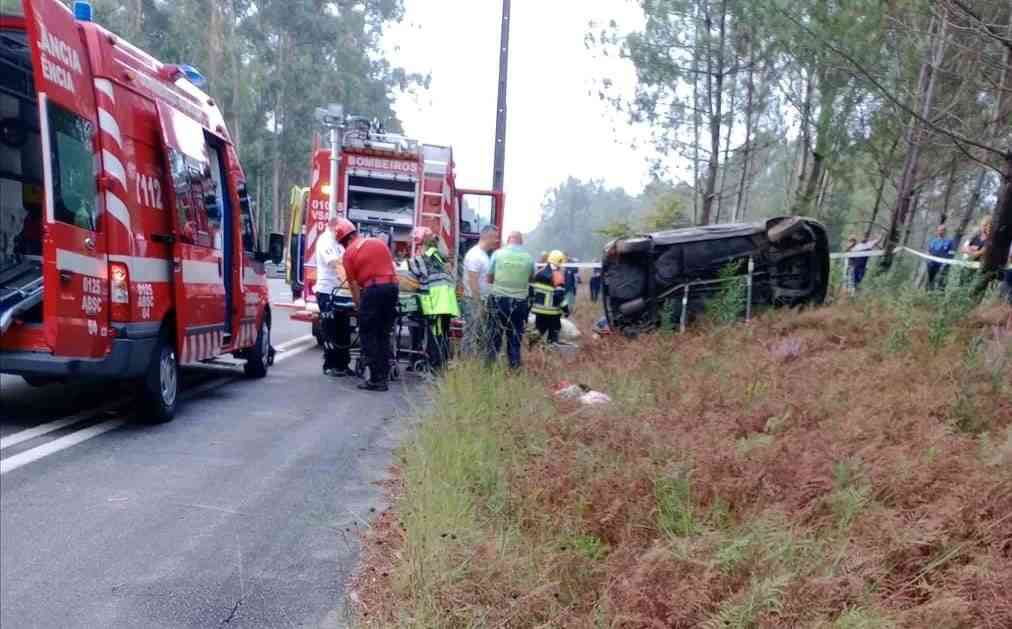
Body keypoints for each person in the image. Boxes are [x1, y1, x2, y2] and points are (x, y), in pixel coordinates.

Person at [337, 218, 399, 392]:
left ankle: (375, 379)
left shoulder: (348, 253)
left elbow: (354, 285)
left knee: (368, 334)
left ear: (345, 240)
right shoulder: (378, 243)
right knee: (383, 334)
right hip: (392, 288)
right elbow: (391, 269)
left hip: (373, 291)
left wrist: (358, 306)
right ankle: (384, 376)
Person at [408, 227, 460, 371]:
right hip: (446, 300)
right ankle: (440, 365)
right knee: (442, 334)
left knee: (435, 334)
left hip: (437, 302)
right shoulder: (438, 254)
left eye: (417, 245)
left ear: (420, 244)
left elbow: (411, 274)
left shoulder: (422, 258)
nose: (416, 248)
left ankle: (434, 368)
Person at [486, 231, 535, 369]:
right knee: (514, 338)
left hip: (498, 302)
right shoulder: (528, 258)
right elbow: (531, 279)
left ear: (508, 240)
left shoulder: (498, 254)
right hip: (519, 304)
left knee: (494, 336)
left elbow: (489, 278)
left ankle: (489, 368)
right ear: (521, 242)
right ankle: (514, 368)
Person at [315, 216, 351, 377]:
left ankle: (343, 363)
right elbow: (334, 263)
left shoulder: (338, 243)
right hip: (327, 291)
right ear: (334, 228)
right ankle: (330, 364)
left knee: (343, 328)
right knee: (330, 329)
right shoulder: (325, 241)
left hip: (340, 291)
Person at [462, 225, 499, 354]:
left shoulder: (483, 255)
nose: (497, 241)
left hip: (479, 300)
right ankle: (466, 361)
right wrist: (479, 304)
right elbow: (473, 282)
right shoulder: (475, 255)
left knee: (476, 333)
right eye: (495, 237)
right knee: (470, 333)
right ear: (487, 236)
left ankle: (471, 361)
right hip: (473, 301)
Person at [530, 250, 568, 344]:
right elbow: (559, 297)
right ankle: (550, 353)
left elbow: (531, 291)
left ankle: (531, 350)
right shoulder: (558, 276)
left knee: (538, 332)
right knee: (553, 336)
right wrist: (566, 309)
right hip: (552, 313)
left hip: (539, 311)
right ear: (559, 262)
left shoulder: (538, 273)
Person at [960, 216, 993, 285]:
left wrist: (970, 249)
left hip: (977, 268)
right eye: (982, 225)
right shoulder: (975, 236)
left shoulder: (989, 240)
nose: (983, 227)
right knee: (961, 283)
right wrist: (971, 250)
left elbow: (979, 253)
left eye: (985, 225)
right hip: (966, 264)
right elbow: (962, 248)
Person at [926, 225, 956, 291]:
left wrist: (946, 263)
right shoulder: (934, 241)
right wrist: (929, 259)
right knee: (930, 280)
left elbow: (952, 254)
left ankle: (939, 294)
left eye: (942, 230)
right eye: (939, 230)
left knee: (940, 281)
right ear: (937, 231)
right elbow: (929, 251)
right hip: (932, 264)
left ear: (945, 231)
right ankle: (928, 292)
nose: (940, 232)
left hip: (943, 265)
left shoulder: (949, 242)